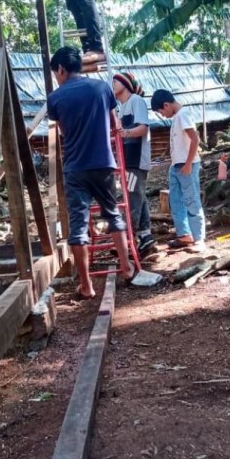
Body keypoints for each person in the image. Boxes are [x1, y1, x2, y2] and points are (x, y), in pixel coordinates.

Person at [47, 46, 135, 299]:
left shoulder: (55, 98)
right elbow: (113, 123)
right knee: (113, 215)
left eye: (56, 73)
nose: (57, 78)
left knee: (77, 228)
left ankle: (86, 286)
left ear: (61, 69)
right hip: (103, 163)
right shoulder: (101, 88)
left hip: (75, 168)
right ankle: (127, 268)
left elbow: (64, 131)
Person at [150, 89, 206, 253]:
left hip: (187, 165)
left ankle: (199, 238)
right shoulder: (176, 117)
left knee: (191, 200)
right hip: (176, 166)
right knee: (176, 200)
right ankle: (184, 234)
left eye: (161, 111)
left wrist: (188, 163)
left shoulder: (182, 115)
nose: (162, 115)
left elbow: (195, 138)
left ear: (166, 105)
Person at [113, 72, 156, 259]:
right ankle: (145, 236)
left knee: (133, 197)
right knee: (138, 195)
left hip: (136, 159)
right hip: (128, 159)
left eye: (115, 81)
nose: (112, 85)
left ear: (125, 84)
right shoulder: (121, 107)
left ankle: (127, 237)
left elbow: (143, 128)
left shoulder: (136, 101)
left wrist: (125, 133)